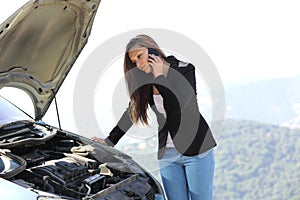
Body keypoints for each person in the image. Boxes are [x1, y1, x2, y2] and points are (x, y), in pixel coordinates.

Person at [92, 34, 217, 200]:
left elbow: (180, 108)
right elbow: (133, 111)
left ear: (153, 50)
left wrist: (160, 78)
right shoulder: (145, 80)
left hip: (197, 150)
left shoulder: (184, 69)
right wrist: (109, 141)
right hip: (168, 154)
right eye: (134, 62)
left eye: (140, 56)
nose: (139, 64)